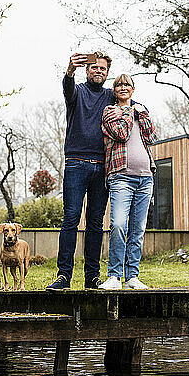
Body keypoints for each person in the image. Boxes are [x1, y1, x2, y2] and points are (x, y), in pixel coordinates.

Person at [46, 51, 116, 290]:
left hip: (102, 166)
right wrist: (69, 71)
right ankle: (64, 276)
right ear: (87, 70)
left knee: (96, 222)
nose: (99, 71)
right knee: (71, 219)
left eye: (103, 69)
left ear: (107, 73)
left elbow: (129, 104)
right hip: (76, 163)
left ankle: (92, 277)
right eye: (94, 68)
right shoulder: (77, 93)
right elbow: (67, 89)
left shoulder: (111, 96)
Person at [99, 74, 157, 290]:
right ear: (114, 90)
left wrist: (141, 114)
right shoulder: (109, 111)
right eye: (119, 85)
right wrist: (129, 112)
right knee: (118, 225)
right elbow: (122, 134)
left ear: (133, 89)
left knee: (138, 229)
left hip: (145, 177)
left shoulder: (141, 110)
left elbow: (151, 137)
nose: (123, 87)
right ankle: (114, 276)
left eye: (127, 85)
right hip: (121, 176)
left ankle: (132, 276)